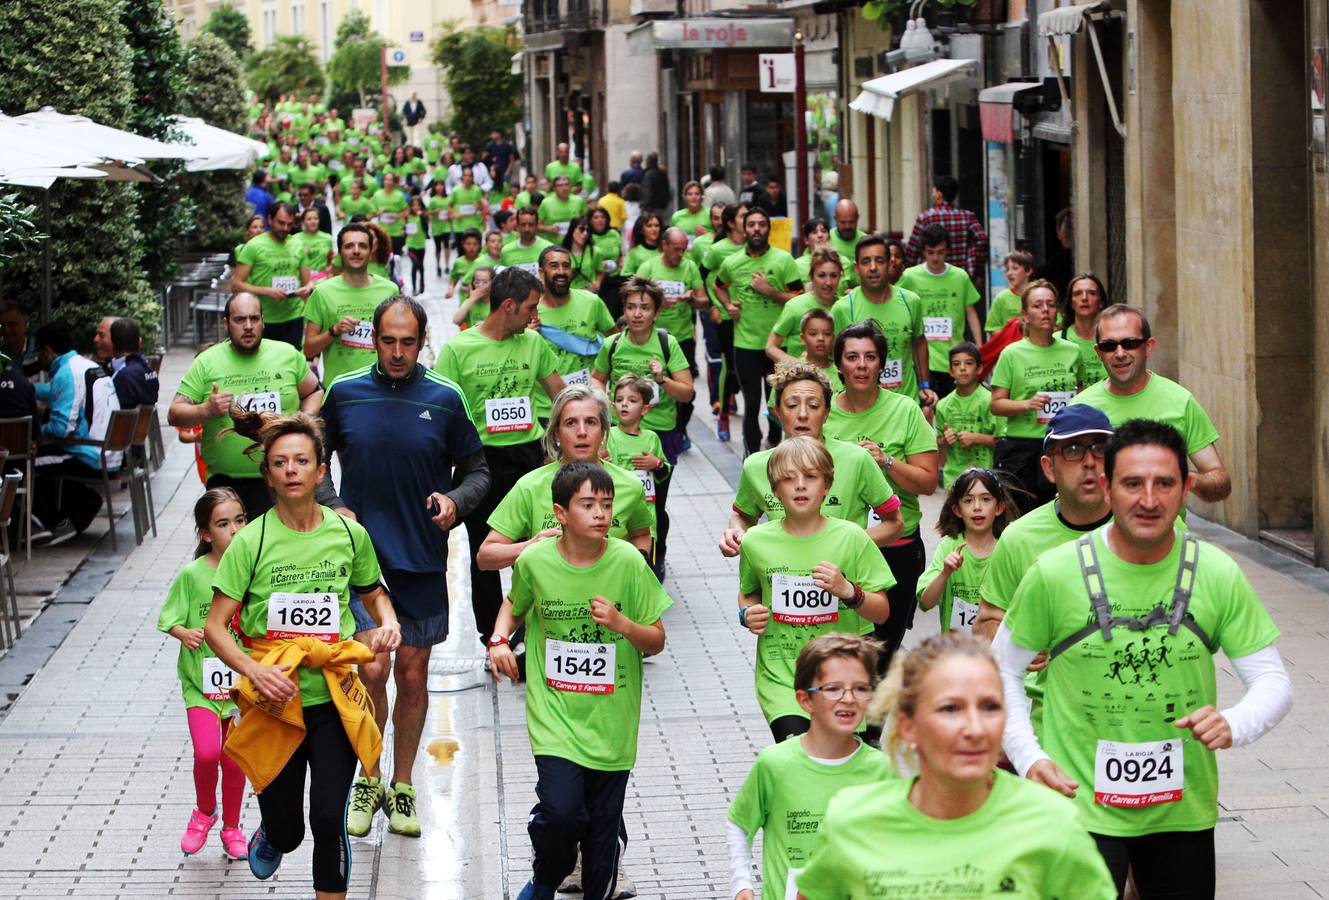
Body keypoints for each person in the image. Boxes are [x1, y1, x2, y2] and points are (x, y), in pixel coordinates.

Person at [994, 420, 1292, 897]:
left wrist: (1236, 723)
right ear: (1108, 488)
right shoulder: (1054, 573)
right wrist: (1030, 758)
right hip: (1078, 806)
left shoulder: (1217, 573)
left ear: (1186, 488)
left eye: (1164, 484)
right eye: (1132, 483)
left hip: (1182, 810)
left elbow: (1273, 682)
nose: (1148, 500)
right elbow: (1000, 671)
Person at [203, 409, 401, 896]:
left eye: (302, 461)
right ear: (267, 474)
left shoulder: (349, 534)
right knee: (290, 829)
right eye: (280, 462)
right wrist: (253, 670)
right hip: (275, 700)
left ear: (320, 470)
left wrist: (389, 622)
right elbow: (214, 627)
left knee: (329, 818)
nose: (291, 470)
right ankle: (272, 832)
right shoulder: (251, 542)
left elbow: (373, 592)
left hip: (335, 696)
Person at [323, 295, 490, 839]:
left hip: (420, 560)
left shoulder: (445, 398)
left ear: (423, 342)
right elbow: (312, 456)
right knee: (371, 670)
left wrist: (454, 501)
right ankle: (368, 778)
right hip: (361, 564)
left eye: (408, 342)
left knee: (412, 676)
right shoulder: (344, 394)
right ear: (374, 338)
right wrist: (333, 503)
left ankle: (403, 785)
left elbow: (478, 471)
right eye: (388, 340)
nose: (397, 352)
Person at [795, 632, 1116, 899]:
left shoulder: (1051, 823)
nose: (975, 729)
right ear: (907, 726)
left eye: (990, 707)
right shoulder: (853, 821)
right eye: (950, 709)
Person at [488, 461, 671, 900]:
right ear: (560, 512)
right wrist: (497, 640)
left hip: (612, 722)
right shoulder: (535, 559)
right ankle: (546, 877)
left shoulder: (628, 561)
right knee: (562, 814)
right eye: (587, 504)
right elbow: (514, 602)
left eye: (606, 505)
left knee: (600, 841)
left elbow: (657, 640)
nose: (600, 514)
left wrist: (623, 624)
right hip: (554, 716)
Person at [434, 268, 565, 648]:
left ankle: (536, 629)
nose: (534, 316)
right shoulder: (459, 349)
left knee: (535, 545)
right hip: (481, 462)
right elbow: (443, 409)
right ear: (508, 306)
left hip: (528, 457)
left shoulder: (533, 343)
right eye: (529, 308)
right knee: (485, 551)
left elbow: (559, 394)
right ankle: (493, 636)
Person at [736, 437, 893, 741]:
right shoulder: (755, 541)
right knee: (796, 755)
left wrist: (848, 590)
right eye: (788, 478)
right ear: (774, 491)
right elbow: (749, 591)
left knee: (834, 772)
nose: (800, 485)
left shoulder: (853, 538)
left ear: (827, 487)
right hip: (782, 676)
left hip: (842, 678)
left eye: (810, 477)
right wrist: (747, 613)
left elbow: (883, 612)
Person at [727, 635, 893, 900]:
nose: (848, 698)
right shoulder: (775, 764)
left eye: (861, 688)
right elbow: (739, 823)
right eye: (833, 688)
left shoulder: (882, 770)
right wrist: (741, 884)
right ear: (805, 701)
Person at [825, 322, 939, 665]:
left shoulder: (904, 410)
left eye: (870, 357)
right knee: (842, 649)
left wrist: (886, 461)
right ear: (839, 365)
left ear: (882, 364)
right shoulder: (824, 413)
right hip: (840, 549)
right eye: (852, 357)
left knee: (884, 649)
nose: (861, 365)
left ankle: (873, 719)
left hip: (897, 545)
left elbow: (928, 482)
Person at [719, 364, 903, 559]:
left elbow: (895, 523)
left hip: (844, 580)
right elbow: (743, 515)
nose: (803, 414)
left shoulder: (857, 459)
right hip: (780, 577)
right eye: (792, 405)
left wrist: (848, 545)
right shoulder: (756, 465)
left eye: (813, 406)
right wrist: (736, 532)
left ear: (826, 413)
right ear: (777, 412)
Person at [169, 293, 322, 518]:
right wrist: (206, 410)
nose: (248, 326)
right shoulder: (207, 361)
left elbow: (315, 391)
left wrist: (302, 422)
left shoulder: (287, 354)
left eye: (254, 319)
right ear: (226, 323)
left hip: (282, 477)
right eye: (240, 320)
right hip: (227, 484)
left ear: (263, 320)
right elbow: (174, 414)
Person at [157, 488, 249, 860]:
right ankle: (204, 811)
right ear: (206, 533)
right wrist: (186, 632)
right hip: (200, 685)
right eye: (223, 524)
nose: (235, 530)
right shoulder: (193, 575)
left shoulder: (252, 570)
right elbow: (169, 619)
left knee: (235, 758)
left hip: (242, 687)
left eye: (240, 520)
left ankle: (232, 827)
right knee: (208, 752)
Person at [972, 404, 1115, 643]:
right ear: (1049, 468)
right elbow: (986, 621)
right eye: (1072, 450)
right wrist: (1016, 641)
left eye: (1100, 449)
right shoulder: (1019, 538)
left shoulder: (1150, 530)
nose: (1089, 461)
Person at [479, 384, 654, 573]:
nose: (582, 432)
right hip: (547, 601)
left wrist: (634, 568)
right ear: (556, 435)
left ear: (603, 431)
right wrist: (531, 545)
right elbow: (485, 556)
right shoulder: (530, 486)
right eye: (571, 423)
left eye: (591, 422)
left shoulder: (630, 485)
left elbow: (642, 535)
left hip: (608, 601)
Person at [1072, 303, 1232, 503]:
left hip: (1164, 532)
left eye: (1129, 343)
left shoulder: (1180, 401)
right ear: (1098, 352)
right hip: (1097, 533)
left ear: (1148, 346)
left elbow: (1220, 482)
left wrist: (1181, 476)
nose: (1120, 353)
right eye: (1109, 346)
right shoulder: (1079, 409)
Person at [591, 277, 694, 578]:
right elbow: (597, 377)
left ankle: (655, 557)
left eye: (645, 308)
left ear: (656, 312)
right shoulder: (612, 345)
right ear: (623, 310)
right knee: (617, 498)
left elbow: (687, 392)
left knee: (654, 503)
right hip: (619, 435)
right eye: (632, 307)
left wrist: (662, 379)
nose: (637, 314)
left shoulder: (666, 343)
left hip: (659, 433)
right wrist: (603, 401)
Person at [713, 207, 802, 456]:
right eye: (751, 224)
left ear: (768, 229)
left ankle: (775, 445)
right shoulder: (732, 262)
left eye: (761, 224)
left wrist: (770, 291)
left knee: (777, 401)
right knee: (751, 403)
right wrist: (727, 305)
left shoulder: (783, 260)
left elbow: (800, 296)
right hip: (745, 344)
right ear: (744, 228)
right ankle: (751, 454)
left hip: (777, 345)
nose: (756, 229)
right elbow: (718, 285)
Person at [990, 279, 1084, 506]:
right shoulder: (1011, 354)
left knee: (1065, 510)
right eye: (1038, 305)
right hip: (1023, 448)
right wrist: (1027, 404)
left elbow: (1080, 393)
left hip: (1062, 443)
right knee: (1025, 516)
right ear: (1024, 315)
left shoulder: (1073, 351)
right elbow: (996, 404)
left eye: (1051, 305)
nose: (1045, 310)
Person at [830, 235, 933, 408]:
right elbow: (835, 359)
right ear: (856, 268)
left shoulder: (911, 301)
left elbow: (919, 342)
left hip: (904, 404)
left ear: (889, 264)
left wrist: (924, 386)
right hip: (862, 407)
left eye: (879, 260)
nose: (872, 268)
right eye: (865, 261)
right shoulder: (843, 308)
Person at [30, 320, 105, 544]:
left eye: (38, 353)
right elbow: (54, 392)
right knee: (46, 457)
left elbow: (63, 429)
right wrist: (28, 390)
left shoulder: (66, 373)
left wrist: (36, 430)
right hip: (105, 447)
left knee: (28, 463)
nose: (37, 358)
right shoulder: (81, 364)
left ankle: (53, 521)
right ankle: (81, 506)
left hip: (88, 451)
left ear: (47, 351)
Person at [917, 468, 1016, 635]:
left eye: (985, 499)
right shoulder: (948, 547)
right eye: (968, 500)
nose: (977, 507)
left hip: (995, 651)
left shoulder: (1008, 549)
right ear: (957, 510)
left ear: (999, 508)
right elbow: (926, 602)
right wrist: (945, 573)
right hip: (956, 652)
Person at [302, 224, 400, 384]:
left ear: (371, 251)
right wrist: (334, 331)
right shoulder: (322, 292)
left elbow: (400, 339)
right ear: (340, 253)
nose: (356, 251)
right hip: (340, 389)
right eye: (349, 246)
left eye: (362, 246)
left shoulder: (389, 290)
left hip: (382, 387)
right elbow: (309, 349)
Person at [896, 224, 982, 398]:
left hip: (955, 359)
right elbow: (895, 304)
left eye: (940, 252)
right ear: (923, 252)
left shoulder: (960, 276)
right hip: (923, 359)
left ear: (947, 251)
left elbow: (970, 311)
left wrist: (979, 346)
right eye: (930, 252)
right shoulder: (909, 277)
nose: (935, 257)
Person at [532, 244, 616, 423]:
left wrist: (602, 380)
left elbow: (614, 343)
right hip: (544, 410)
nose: (561, 271)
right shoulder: (530, 310)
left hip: (587, 406)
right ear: (541, 272)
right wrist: (526, 334)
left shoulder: (592, 302)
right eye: (554, 266)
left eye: (566, 266)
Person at [636, 227, 706, 441]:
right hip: (653, 339)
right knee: (656, 386)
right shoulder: (648, 267)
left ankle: (680, 428)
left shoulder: (690, 266)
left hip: (682, 338)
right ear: (664, 246)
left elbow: (704, 300)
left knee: (686, 391)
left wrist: (691, 298)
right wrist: (656, 301)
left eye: (684, 249)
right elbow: (633, 299)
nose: (680, 254)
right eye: (676, 249)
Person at [231, 202, 314, 349]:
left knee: (290, 365)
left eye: (289, 225)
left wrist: (307, 289)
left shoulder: (297, 245)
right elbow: (236, 284)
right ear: (270, 219)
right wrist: (267, 291)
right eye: (281, 223)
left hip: (293, 316)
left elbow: (309, 282)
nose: (285, 228)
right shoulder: (254, 246)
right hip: (263, 318)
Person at [701, 204, 747, 440]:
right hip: (726, 317)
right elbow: (703, 274)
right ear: (731, 223)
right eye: (743, 216)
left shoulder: (753, 249)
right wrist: (714, 306)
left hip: (751, 319)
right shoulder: (718, 250)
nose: (748, 220)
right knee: (728, 367)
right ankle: (723, 414)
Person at [904, 174, 989, 286]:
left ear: (939, 194)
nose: (932, 194)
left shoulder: (925, 218)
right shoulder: (967, 217)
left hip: (929, 278)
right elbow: (982, 239)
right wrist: (975, 269)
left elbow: (911, 252)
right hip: (959, 278)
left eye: (934, 191)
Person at [933, 341, 997, 486]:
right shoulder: (943, 405)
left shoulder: (989, 401)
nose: (962, 368)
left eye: (968, 363)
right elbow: (938, 442)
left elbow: (1000, 441)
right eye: (956, 364)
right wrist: (944, 440)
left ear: (979, 368)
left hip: (984, 476)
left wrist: (976, 438)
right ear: (950, 371)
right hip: (953, 479)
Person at [767, 248, 843, 367]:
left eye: (833, 275)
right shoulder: (795, 306)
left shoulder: (844, 307)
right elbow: (771, 347)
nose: (828, 282)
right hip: (801, 380)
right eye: (822, 275)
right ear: (812, 277)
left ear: (840, 277)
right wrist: (797, 365)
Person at [607, 375, 670, 508]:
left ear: (645, 409)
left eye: (632, 400)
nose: (624, 403)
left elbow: (665, 471)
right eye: (619, 400)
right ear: (613, 406)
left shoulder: (651, 438)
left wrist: (656, 464)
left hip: (646, 510)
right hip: (618, 509)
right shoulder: (608, 436)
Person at [1059, 272, 1108, 385]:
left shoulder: (1114, 339)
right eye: (1078, 293)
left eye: (1091, 293)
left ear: (1101, 302)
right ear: (1071, 303)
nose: (1084, 298)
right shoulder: (1056, 340)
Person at [104, 317, 159, 410]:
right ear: (139, 342)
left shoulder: (122, 375)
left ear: (112, 344)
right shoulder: (148, 369)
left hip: (122, 424)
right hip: (143, 423)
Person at [984, 249, 1034, 333]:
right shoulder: (1001, 298)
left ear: (1028, 271)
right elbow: (992, 330)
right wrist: (1013, 327)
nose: (1009, 273)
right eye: (1007, 269)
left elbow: (1056, 325)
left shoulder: (1040, 295)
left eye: (1015, 268)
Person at [499, 206, 554, 276]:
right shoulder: (506, 251)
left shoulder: (548, 248)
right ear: (517, 226)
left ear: (537, 225)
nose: (527, 229)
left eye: (531, 225)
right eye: (523, 225)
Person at [561, 216, 604, 292]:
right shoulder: (561, 253)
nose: (585, 233)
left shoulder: (595, 251)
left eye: (588, 230)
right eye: (581, 229)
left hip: (589, 294)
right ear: (572, 230)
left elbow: (600, 272)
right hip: (568, 294)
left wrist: (597, 284)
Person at [289, 205, 333, 277]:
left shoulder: (327, 238)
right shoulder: (294, 238)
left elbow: (330, 259)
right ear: (303, 222)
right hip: (302, 278)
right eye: (309, 219)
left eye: (316, 219)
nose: (313, 221)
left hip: (322, 279)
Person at [0, 300, 39, 376]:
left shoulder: (41, 352)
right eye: (2, 325)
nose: (6, 330)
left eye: (12, 324)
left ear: (26, 325)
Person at [622, 211, 663, 277]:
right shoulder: (634, 252)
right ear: (641, 230)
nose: (654, 229)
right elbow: (625, 275)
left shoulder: (665, 250)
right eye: (649, 226)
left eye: (657, 226)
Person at [403, 195, 429, 296]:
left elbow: (426, 228)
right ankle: (414, 287)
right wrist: (405, 231)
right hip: (411, 244)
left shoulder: (423, 216)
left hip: (421, 244)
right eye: (414, 205)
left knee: (421, 265)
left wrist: (422, 216)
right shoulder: (407, 216)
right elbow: (404, 228)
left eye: (418, 205)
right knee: (415, 265)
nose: (416, 207)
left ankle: (422, 285)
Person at [827, 199, 866, 264]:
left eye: (851, 222)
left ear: (857, 218)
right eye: (843, 222)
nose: (847, 226)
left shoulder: (865, 241)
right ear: (835, 218)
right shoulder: (826, 239)